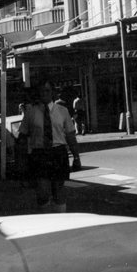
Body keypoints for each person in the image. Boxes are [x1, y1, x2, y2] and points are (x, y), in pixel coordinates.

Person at [18, 80, 81, 212]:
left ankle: (61, 220)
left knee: (59, 191)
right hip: (40, 154)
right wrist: (22, 161)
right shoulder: (31, 112)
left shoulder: (62, 111)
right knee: (43, 192)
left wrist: (76, 157)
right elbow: (22, 138)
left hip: (58, 153)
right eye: (42, 91)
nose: (44, 93)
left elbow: (70, 136)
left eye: (47, 90)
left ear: (52, 92)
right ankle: (46, 217)